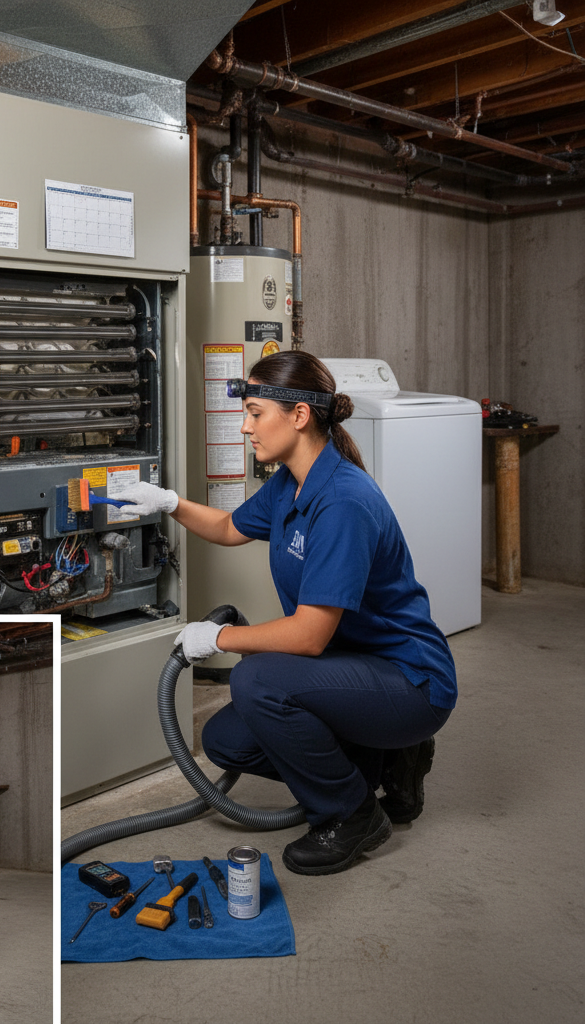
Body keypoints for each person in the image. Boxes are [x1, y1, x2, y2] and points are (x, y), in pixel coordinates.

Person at [119, 350, 456, 876]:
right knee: (226, 740)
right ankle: (385, 760)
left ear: (299, 415)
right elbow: (231, 528)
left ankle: (353, 813)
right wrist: (168, 503)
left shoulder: (343, 501)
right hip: (352, 668)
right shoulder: (291, 482)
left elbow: (308, 638)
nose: (245, 426)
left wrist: (219, 638)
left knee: (257, 679)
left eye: (256, 412)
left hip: (409, 680)